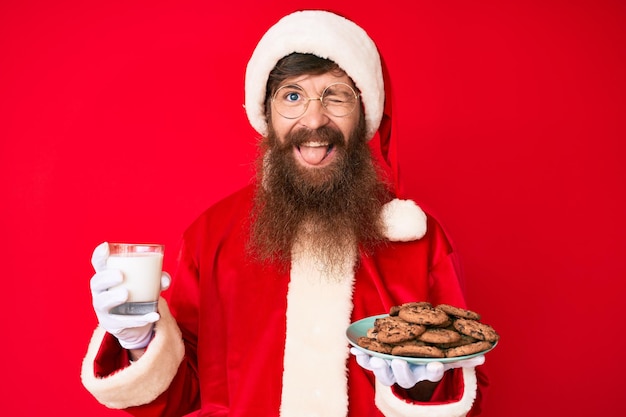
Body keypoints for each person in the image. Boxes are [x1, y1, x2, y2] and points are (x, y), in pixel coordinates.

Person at [81, 9, 489, 417]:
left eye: (336, 95)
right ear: (268, 116)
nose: (314, 119)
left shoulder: (419, 239)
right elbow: (182, 395)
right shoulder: (210, 237)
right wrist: (137, 341)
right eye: (292, 96)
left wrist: (425, 385)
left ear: (364, 112)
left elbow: (467, 396)